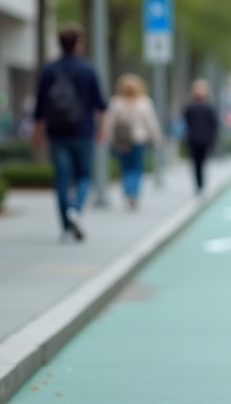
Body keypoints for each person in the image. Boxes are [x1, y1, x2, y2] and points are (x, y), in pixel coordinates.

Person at [31, 23, 107, 241]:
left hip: (57, 132)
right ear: (79, 44)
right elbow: (100, 105)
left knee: (62, 179)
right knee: (84, 176)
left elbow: (39, 106)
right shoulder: (88, 69)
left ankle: (65, 228)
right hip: (83, 131)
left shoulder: (48, 69)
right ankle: (76, 209)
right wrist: (102, 129)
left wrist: (37, 132)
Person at [102, 73, 163, 210]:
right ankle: (133, 194)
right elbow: (151, 123)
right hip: (138, 141)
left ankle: (127, 193)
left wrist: (109, 138)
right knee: (137, 169)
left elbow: (110, 123)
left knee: (125, 168)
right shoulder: (144, 103)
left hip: (122, 141)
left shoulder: (116, 102)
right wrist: (156, 139)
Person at [183, 79, 218, 194]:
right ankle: (201, 184)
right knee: (202, 162)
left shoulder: (189, 107)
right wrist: (213, 140)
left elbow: (185, 122)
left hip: (193, 139)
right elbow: (214, 125)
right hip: (205, 139)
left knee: (195, 163)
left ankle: (199, 185)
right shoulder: (209, 107)